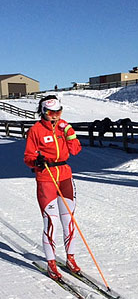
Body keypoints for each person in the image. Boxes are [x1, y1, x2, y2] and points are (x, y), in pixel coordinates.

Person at [24, 95, 82, 280]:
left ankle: (70, 258)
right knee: (51, 222)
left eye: (58, 111)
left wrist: (70, 133)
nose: (55, 116)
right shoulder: (35, 130)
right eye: (51, 113)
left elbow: (75, 150)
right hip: (46, 177)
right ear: (43, 112)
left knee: (69, 221)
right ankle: (51, 263)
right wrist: (36, 160)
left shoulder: (65, 127)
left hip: (65, 175)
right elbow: (28, 156)